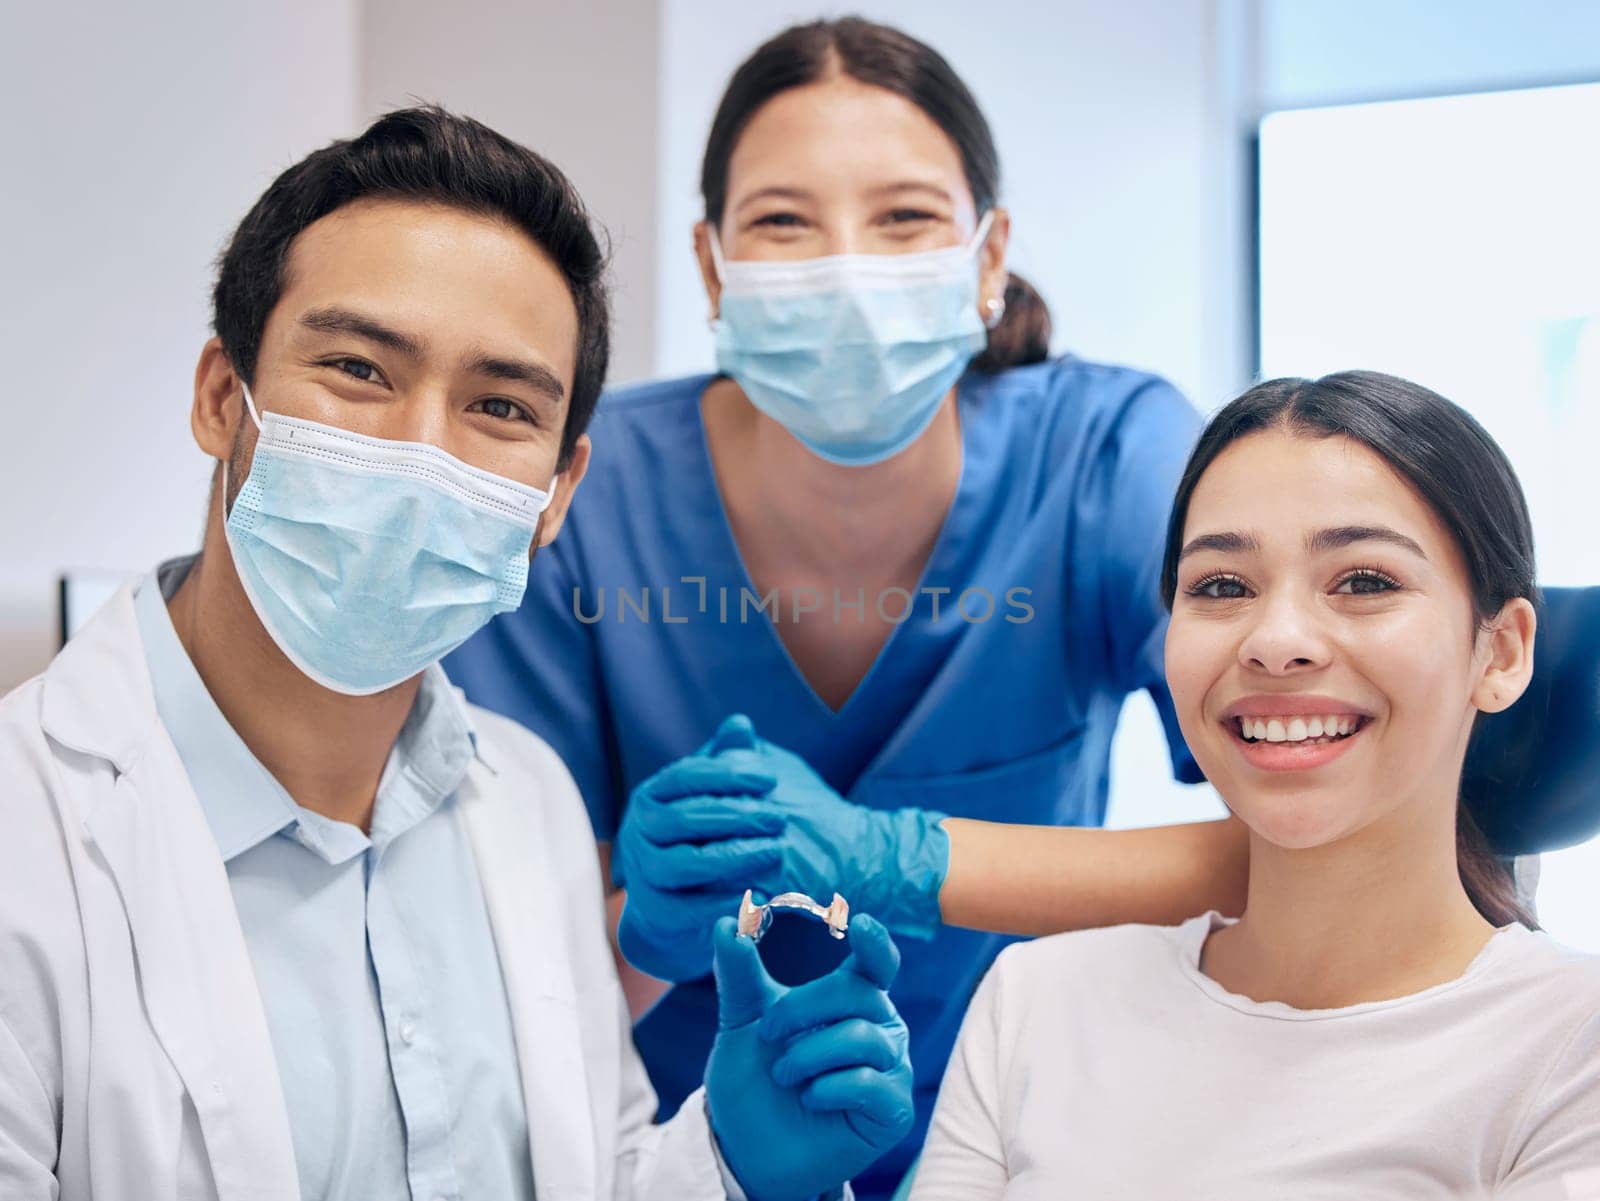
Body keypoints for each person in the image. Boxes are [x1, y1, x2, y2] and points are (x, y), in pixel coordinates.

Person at [443, 18, 1599, 1194]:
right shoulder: (584, 498)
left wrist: (902, 856)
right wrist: (643, 930)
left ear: (988, 255)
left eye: (904, 218)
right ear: (711, 264)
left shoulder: (1097, 461)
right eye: (785, 222)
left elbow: (1325, 813)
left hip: (1036, 1132)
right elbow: (513, 968)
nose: (848, 270)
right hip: (696, 1146)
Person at [0, 107, 915, 1200]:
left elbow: (595, 1173)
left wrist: (729, 1166)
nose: (422, 450)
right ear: (219, 397)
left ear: (558, 491)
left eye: (497, 404)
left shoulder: (522, 796)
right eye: (357, 369)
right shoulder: (31, 832)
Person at [909, 372, 1600, 1198]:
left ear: (1502, 652)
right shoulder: (1036, 1003)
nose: (1276, 642)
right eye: (1222, 587)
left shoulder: (1570, 1052)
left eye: (1365, 581)